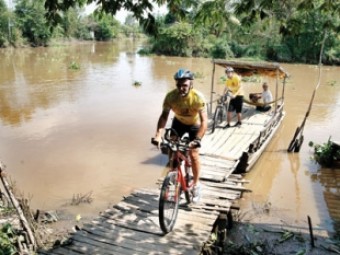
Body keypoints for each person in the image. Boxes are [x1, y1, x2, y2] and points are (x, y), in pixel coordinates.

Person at [152, 68, 208, 203]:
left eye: (185, 85)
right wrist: (158, 135)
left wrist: (198, 139)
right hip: (178, 123)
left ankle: (196, 184)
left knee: (194, 154)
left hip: (194, 124)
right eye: (179, 85)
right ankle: (174, 174)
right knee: (172, 149)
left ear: (191, 85)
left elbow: (205, 121)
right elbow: (164, 116)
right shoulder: (171, 97)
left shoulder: (198, 98)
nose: (181, 88)